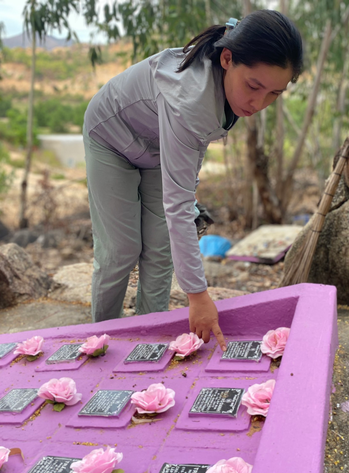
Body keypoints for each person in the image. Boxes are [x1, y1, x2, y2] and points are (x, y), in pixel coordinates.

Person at [83, 9, 304, 351]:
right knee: (120, 251)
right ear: (227, 59)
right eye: (254, 87)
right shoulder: (190, 100)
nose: (258, 103)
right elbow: (178, 204)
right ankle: (102, 340)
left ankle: (149, 340)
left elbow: (183, 175)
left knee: (159, 250)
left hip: (157, 148)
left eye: (274, 94)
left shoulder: (229, 87)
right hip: (111, 139)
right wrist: (198, 297)